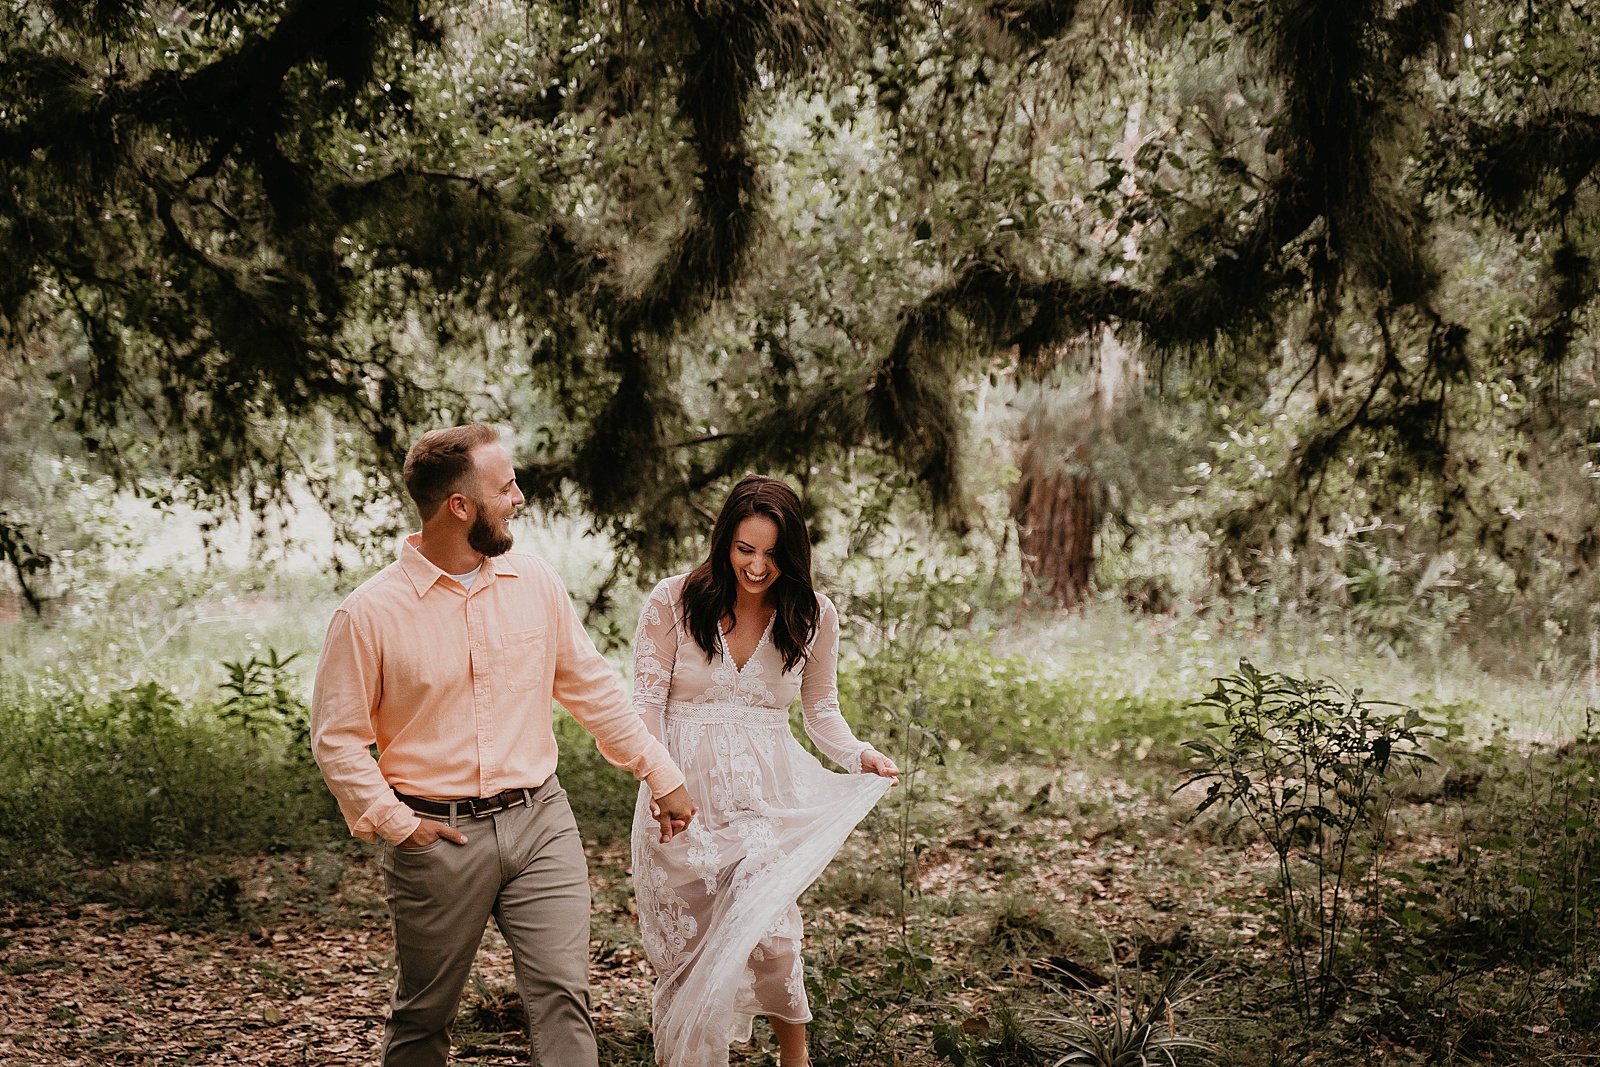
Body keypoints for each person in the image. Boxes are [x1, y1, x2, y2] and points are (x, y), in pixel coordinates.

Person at [310, 423, 697, 1067]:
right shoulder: (368, 614)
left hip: (541, 821)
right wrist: (398, 825)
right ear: (459, 506)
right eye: (506, 486)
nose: (518, 497)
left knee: (564, 1000)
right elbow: (338, 740)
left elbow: (592, 689)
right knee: (423, 1016)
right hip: (438, 838)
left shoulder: (535, 582)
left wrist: (661, 772)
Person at [630, 475, 899, 1067]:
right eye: (744, 549)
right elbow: (645, 703)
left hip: (762, 801)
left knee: (774, 937)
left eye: (772, 554)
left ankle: (794, 1061)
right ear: (724, 542)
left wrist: (859, 754)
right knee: (692, 952)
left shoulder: (812, 614)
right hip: (682, 800)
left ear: (793, 553)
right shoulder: (673, 600)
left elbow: (821, 708)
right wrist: (660, 781)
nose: (756, 566)